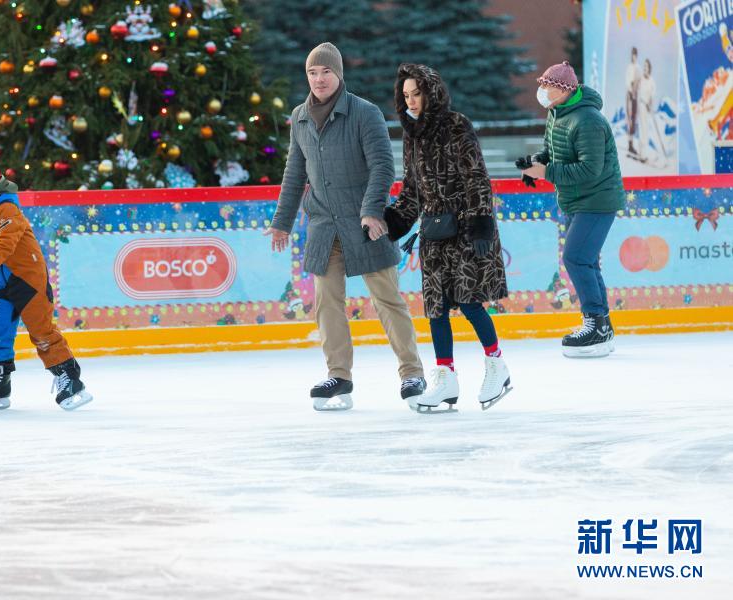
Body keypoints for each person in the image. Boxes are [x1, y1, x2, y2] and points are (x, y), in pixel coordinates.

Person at [265, 42, 426, 412]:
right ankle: (339, 375)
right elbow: (294, 174)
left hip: (364, 223)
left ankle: (411, 373)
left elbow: (383, 166)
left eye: (325, 72)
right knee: (326, 303)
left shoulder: (363, 113)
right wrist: (282, 223)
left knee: (387, 299)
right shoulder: (300, 116)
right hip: (324, 225)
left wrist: (372, 211)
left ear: (338, 74)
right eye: (312, 73)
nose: (319, 79)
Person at [384, 64, 511, 412]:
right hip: (435, 233)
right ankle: (446, 378)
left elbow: (476, 176)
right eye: (406, 95)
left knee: (469, 302)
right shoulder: (412, 134)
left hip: (467, 227)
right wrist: (393, 222)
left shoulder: (457, 125)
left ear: (431, 92)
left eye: (417, 93)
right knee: (436, 308)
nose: (411, 101)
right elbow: (412, 190)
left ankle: (497, 365)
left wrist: (482, 221)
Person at [0, 157, 93, 409]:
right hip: (1, 282)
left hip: (28, 278)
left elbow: (6, 244)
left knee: (41, 331)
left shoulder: (6, 208)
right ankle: (0, 385)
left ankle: (70, 380)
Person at [521, 61, 624, 358]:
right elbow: (550, 151)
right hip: (575, 200)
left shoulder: (588, 120)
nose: (541, 91)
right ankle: (601, 325)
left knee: (576, 257)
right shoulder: (556, 113)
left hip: (597, 199)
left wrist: (547, 172)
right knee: (586, 260)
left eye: (546, 85)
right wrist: (534, 164)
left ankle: (595, 323)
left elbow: (590, 170)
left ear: (563, 90)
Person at [625, 47, 642, 157]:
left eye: (635, 54)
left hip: (636, 95)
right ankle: (629, 144)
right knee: (630, 119)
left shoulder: (638, 67)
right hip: (630, 95)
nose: (633, 56)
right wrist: (631, 91)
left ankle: (632, 144)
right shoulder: (630, 67)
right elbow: (628, 81)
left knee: (635, 119)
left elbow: (639, 81)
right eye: (632, 54)